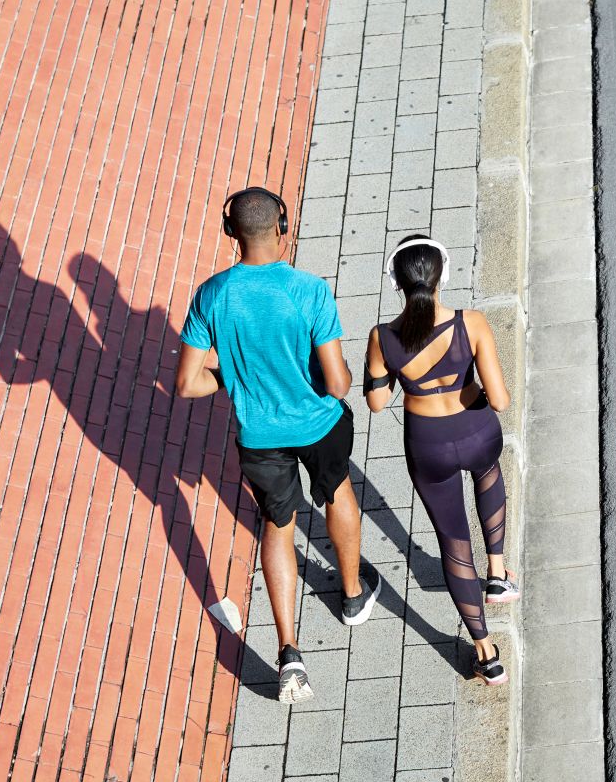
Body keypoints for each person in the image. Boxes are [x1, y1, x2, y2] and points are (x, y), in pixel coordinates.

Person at [175, 187, 378, 704]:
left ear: (230, 231)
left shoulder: (211, 296)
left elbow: (187, 384)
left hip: (259, 438)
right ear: (282, 226)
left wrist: (233, 377)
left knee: (278, 526)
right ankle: (353, 596)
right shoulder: (309, 291)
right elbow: (336, 384)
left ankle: (289, 653)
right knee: (339, 495)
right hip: (318, 425)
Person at [363, 234, 517, 685]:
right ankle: (498, 574)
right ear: (443, 276)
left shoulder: (382, 337)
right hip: (475, 430)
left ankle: (486, 654)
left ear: (396, 283)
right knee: (489, 477)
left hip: (427, 443)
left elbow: (376, 402)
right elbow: (502, 401)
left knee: (453, 541)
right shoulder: (472, 323)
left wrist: (392, 374)